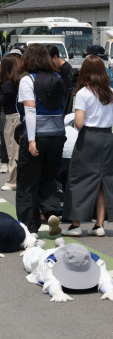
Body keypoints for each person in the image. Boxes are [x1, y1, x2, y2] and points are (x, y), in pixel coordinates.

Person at [16, 43, 65, 237]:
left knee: (28, 182)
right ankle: (52, 212)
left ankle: (30, 226)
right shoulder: (58, 77)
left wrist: (31, 139)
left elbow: (30, 109)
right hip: (58, 135)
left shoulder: (28, 80)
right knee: (49, 178)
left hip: (36, 136)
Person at [62, 55, 113, 237]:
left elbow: (79, 123)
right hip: (107, 137)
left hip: (88, 137)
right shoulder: (110, 91)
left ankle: (76, 225)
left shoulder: (83, 93)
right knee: (102, 181)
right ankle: (99, 225)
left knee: (78, 179)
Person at [22, 239, 113, 302]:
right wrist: (56, 291)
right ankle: (37, 246)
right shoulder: (50, 262)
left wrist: (109, 289)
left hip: (66, 255)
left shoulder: (91, 258)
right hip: (45, 256)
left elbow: (103, 275)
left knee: (70, 252)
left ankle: (62, 245)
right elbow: (51, 278)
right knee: (32, 259)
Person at [0, 54, 21, 191]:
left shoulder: (9, 84)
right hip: (18, 118)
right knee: (16, 151)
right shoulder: (19, 81)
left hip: (13, 119)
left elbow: (2, 101)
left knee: (13, 152)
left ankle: (13, 181)